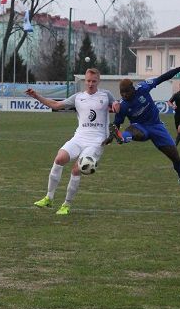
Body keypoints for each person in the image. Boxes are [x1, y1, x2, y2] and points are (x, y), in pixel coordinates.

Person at [25, 68, 115, 215]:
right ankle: (49, 197)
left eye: (94, 81)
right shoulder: (78, 97)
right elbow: (55, 105)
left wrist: (118, 108)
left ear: (98, 81)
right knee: (59, 158)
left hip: (96, 142)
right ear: (84, 81)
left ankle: (66, 205)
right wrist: (36, 96)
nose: (91, 84)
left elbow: (118, 106)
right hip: (79, 137)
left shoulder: (106, 95)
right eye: (88, 81)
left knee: (76, 168)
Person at [105, 60, 180, 194]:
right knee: (132, 129)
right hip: (140, 128)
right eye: (122, 93)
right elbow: (117, 123)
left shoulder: (143, 88)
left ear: (132, 88)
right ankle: (122, 138)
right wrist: (110, 137)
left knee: (176, 158)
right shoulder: (122, 105)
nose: (124, 95)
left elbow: (162, 78)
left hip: (156, 126)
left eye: (126, 92)